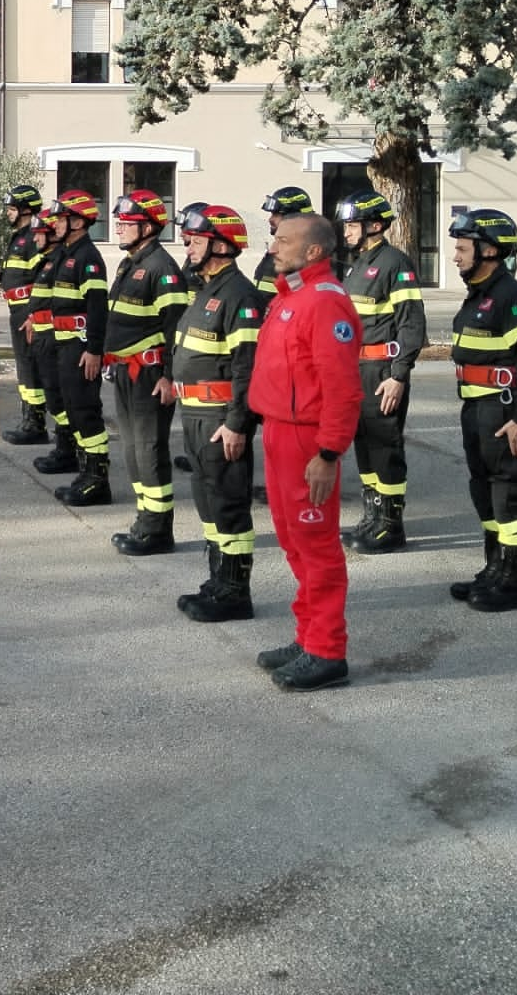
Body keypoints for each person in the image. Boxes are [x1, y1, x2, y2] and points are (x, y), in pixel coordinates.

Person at [249, 212, 363, 691]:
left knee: (316, 548)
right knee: (294, 543)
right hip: (279, 432)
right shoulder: (291, 296)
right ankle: (308, 636)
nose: (273, 246)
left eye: (283, 239)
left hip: (307, 441)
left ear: (314, 251)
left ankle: (327, 651)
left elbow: (342, 389)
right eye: (275, 239)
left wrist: (329, 453)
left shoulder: (324, 303)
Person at [446, 207, 517, 615]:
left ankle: (513, 581)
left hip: (503, 410)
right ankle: (493, 567)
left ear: (489, 250)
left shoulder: (512, 298)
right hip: (476, 407)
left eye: (462, 247)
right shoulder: (481, 293)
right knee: (484, 487)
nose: (455, 256)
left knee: (508, 490)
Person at [170, 205, 265, 622]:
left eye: (195, 240)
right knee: (207, 502)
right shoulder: (207, 290)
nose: (187, 246)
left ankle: (235, 593)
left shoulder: (239, 296)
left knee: (228, 503)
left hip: (219, 419)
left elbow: (248, 367)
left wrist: (237, 423)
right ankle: (217, 581)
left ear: (221, 245)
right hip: (195, 415)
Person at [334, 190, 428, 556]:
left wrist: (398, 374)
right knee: (364, 443)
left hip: (381, 372)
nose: (346, 232)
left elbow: (411, 324)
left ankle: (391, 526)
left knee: (385, 446)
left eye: (352, 225)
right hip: (356, 369)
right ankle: (372, 518)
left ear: (375, 225)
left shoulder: (394, 263)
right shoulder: (358, 263)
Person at [104, 191, 192, 556]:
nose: (118, 228)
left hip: (150, 375)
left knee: (149, 449)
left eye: (125, 224)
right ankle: (144, 519)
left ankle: (158, 529)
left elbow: (177, 331)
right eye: (119, 222)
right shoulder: (130, 264)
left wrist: (169, 376)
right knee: (132, 450)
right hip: (126, 373)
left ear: (147, 226)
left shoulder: (162, 269)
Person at [34, 191, 113, 506]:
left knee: (85, 412)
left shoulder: (87, 258)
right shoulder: (68, 254)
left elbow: (97, 309)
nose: (55, 224)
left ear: (78, 222)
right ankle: (86, 471)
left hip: (80, 349)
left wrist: (94, 350)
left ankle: (98, 480)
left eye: (62, 219)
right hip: (62, 346)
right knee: (72, 410)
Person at [0, 184, 53, 446]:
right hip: (16, 311)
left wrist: (34, 315)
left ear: (25, 209)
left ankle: (35, 424)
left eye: (11, 209)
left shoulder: (33, 237)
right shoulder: (18, 236)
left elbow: (42, 279)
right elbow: (17, 275)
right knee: (24, 368)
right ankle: (29, 419)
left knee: (31, 368)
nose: (8, 213)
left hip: (29, 313)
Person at [24, 207, 67, 472]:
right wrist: (32, 317)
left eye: (40, 234)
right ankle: (62, 448)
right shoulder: (48, 261)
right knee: (53, 397)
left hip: (54, 338)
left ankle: (66, 450)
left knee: (59, 399)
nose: (36, 240)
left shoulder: (60, 261)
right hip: (42, 335)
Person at [252, 187, 314, 307]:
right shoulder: (281, 250)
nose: (270, 219)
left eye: (276, 214)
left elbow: (298, 301)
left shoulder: (301, 257)